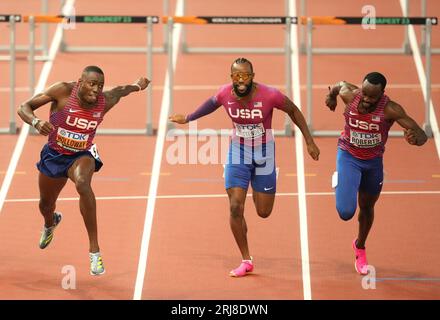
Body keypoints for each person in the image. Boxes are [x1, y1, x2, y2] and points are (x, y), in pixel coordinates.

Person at [169, 57, 320, 277]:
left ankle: (260, 183)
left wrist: (309, 141)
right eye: (236, 75)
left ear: (252, 77)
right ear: (231, 77)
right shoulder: (224, 93)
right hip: (238, 152)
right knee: (235, 206)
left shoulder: (270, 95)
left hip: (264, 153)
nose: (241, 80)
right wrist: (189, 118)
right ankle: (246, 260)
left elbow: (294, 111)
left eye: (245, 75)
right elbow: (210, 105)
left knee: (263, 212)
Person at [17, 65, 150, 276]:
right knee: (45, 204)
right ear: (80, 82)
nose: (96, 90)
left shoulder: (105, 101)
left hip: (82, 155)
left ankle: (94, 251)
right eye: (92, 83)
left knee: (83, 184)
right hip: (54, 155)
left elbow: (122, 90)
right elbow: (24, 106)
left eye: (100, 85)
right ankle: (50, 223)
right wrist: (35, 121)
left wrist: (137, 86)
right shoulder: (62, 91)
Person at [325, 72, 427, 275]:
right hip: (348, 156)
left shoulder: (391, 109)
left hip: (373, 163)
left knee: (367, 207)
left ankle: (360, 247)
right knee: (345, 212)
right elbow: (338, 84)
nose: (366, 99)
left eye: (372, 97)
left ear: (382, 94)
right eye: (364, 93)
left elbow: (422, 135)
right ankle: (341, 179)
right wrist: (331, 97)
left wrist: (415, 138)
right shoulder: (349, 93)